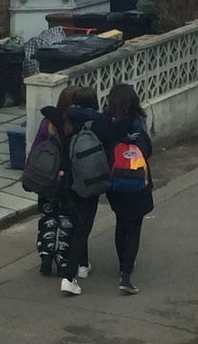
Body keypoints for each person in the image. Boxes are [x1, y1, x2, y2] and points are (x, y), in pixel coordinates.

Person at [60, 87, 112, 295]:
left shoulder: (67, 118)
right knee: (84, 227)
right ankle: (69, 276)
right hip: (92, 179)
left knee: (78, 223)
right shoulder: (100, 122)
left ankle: (83, 264)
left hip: (71, 179)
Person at [106, 84, 154, 295]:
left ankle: (121, 265)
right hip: (138, 183)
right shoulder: (138, 122)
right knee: (135, 228)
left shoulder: (108, 124)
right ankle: (126, 273)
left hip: (116, 183)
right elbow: (148, 149)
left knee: (121, 224)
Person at [30, 86, 80, 277]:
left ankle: (45, 255)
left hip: (45, 181)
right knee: (65, 221)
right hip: (65, 182)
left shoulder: (47, 123)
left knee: (47, 218)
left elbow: (35, 150)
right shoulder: (72, 125)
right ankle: (62, 260)